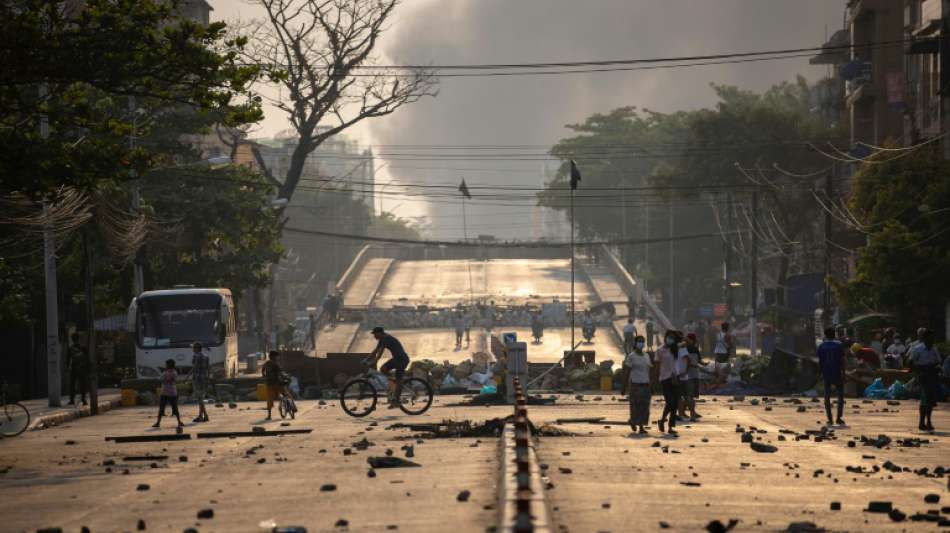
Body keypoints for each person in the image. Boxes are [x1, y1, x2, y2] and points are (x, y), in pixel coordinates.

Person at [907, 328, 941, 432]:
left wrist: (937, 368)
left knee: (930, 400)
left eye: (933, 339)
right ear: (925, 339)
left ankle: (928, 421)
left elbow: (938, 361)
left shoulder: (934, 349)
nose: (932, 341)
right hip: (922, 374)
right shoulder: (917, 349)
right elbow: (910, 362)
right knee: (925, 398)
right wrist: (918, 373)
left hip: (932, 374)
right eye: (930, 339)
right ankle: (923, 422)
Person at [369, 326, 411, 408]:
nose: (374, 336)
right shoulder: (382, 339)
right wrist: (366, 359)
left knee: (399, 380)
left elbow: (380, 352)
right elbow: (376, 350)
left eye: (375, 334)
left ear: (380, 333)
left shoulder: (386, 338)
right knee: (383, 369)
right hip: (396, 359)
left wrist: (375, 361)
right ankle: (394, 380)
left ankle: (397, 401)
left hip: (402, 360)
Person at [816, 327, 846, 427]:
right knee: (840, 396)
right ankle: (838, 418)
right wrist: (844, 373)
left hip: (826, 373)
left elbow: (820, 362)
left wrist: (820, 373)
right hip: (837, 373)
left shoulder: (821, 346)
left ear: (825, 335)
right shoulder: (839, 345)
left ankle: (830, 419)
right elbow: (842, 361)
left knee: (827, 396)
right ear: (834, 335)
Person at [624, 335, 652, 434]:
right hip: (635, 384)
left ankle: (641, 426)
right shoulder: (631, 356)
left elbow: (649, 370)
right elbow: (627, 371)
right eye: (639, 341)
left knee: (645, 406)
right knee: (635, 405)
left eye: (643, 341)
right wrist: (624, 387)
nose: (641, 343)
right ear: (635, 343)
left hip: (646, 384)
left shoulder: (646, 356)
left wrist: (650, 383)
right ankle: (633, 420)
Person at [656, 330, 680, 435]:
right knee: (670, 402)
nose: (670, 339)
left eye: (673, 338)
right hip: (664, 378)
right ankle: (662, 420)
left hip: (675, 378)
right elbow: (656, 365)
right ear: (665, 337)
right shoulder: (660, 350)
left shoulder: (675, 348)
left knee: (674, 404)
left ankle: (670, 426)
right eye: (669, 337)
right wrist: (655, 380)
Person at [153, 359, 184, 428]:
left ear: (170, 365)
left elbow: (168, 380)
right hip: (166, 392)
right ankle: (158, 422)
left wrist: (164, 380)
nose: (166, 365)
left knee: (173, 408)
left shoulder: (173, 372)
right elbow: (164, 380)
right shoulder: (167, 372)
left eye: (167, 364)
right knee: (163, 408)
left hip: (170, 393)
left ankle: (179, 421)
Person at [262, 350, 287, 420]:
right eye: (277, 356)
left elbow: (263, 370)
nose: (278, 357)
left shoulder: (267, 363)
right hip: (277, 383)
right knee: (286, 394)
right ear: (274, 357)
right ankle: (292, 407)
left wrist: (264, 376)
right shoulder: (275, 364)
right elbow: (280, 373)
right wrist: (285, 377)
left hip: (269, 383)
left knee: (270, 400)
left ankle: (269, 416)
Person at [683, 332, 702, 421]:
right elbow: (698, 361)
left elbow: (689, 362)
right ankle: (692, 413)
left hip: (688, 375)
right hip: (694, 375)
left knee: (688, 395)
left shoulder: (685, 349)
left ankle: (691, 413)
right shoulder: (695, 349)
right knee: (690, 396)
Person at [66, 333, 89, 406]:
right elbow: (87, 358)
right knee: (82, 385)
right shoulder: (83, 348)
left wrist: (67, 367)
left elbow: (67, 360)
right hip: (82, 368)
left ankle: (72, 400)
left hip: (74, 368)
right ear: (78, 339)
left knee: (72, 385)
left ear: (72, 340)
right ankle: (84, 400)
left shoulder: (71, 348)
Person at [191, 342, 210, 423]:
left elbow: (194, 368)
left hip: (198, 379)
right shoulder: (206, 356)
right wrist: (208, 378)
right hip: (204, 378)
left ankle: (201, 416)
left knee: (199, 398)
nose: (192, 349)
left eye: (193, 348)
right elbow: (209, 368)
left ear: (197, 348)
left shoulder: (196, 356)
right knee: (201, 398)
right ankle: (204, 415)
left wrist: (187, 377)